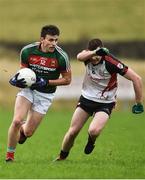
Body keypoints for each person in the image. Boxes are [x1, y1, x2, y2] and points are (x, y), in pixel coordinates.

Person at [55, 38, 144, 161]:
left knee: (94, 130)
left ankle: (91, 141)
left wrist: (138, 102)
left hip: (105, 102)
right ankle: (62, 157)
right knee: (73, 132)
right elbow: (79, 56)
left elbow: (136, 79)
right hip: (86, 99)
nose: (95, 59)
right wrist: (95, 52)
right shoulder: (87, 56)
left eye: (98, 56)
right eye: (93, 55)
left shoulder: (111, 62)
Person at [6, 25, 71, 162]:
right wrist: (17, 79)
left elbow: (67, 80)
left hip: (45, 95)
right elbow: (24, 72)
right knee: (17, 120)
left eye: (56, 40)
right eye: (51, 40)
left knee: (28, 132)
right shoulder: (27, 51)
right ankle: (10, 156)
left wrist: (46, 82)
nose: (54, 43)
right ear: (42, 39)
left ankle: (23, 132)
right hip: (28, 90)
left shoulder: (61, 57)